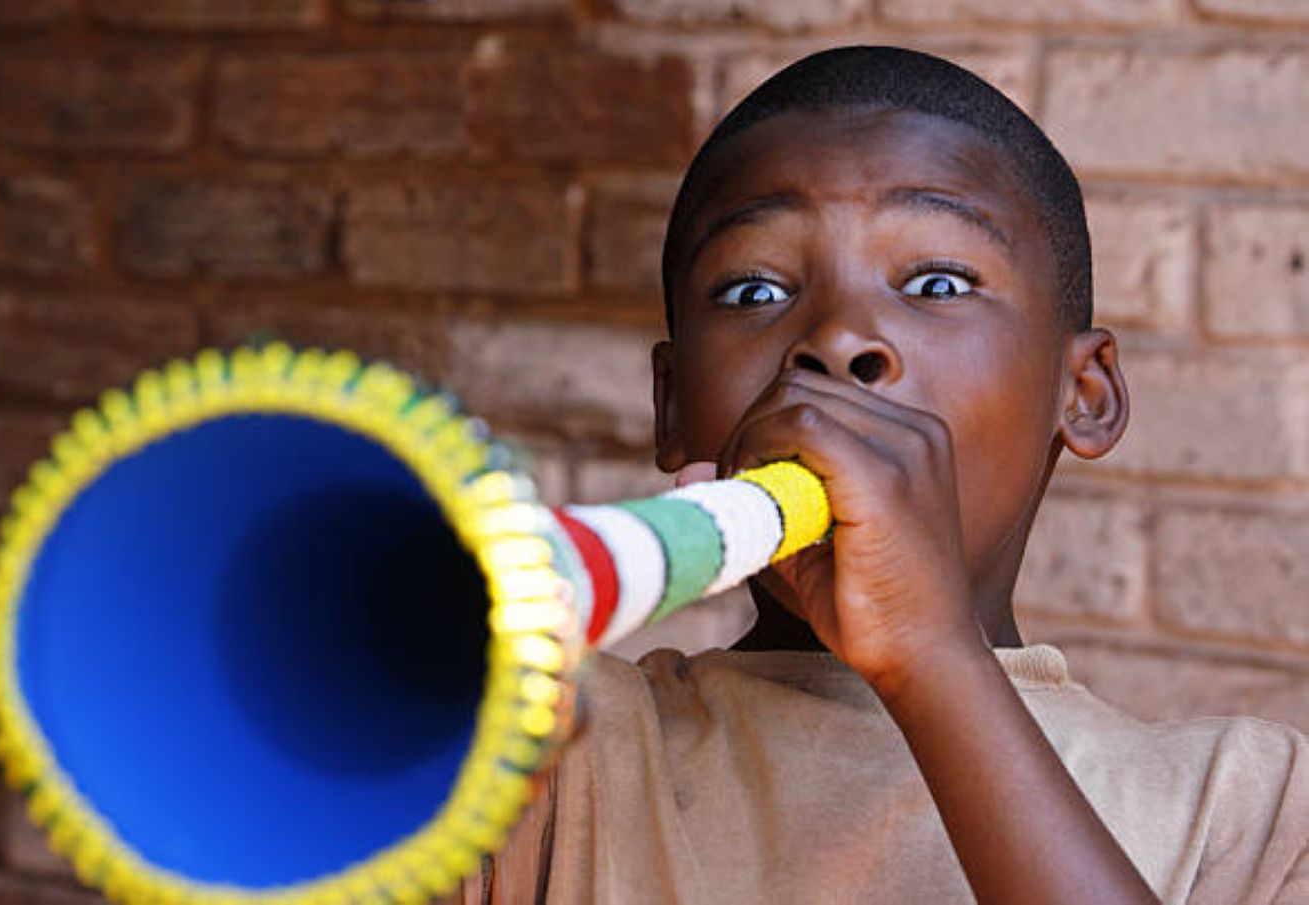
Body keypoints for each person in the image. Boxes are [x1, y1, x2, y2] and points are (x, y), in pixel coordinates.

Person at [454, 46, 1307, 904]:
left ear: (1081, 395)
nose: (837, 336)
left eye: (937, 281)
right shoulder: (533, 753)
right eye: (754, 292)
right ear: (672, 408)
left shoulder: (1249, 804)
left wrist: (933, 657)